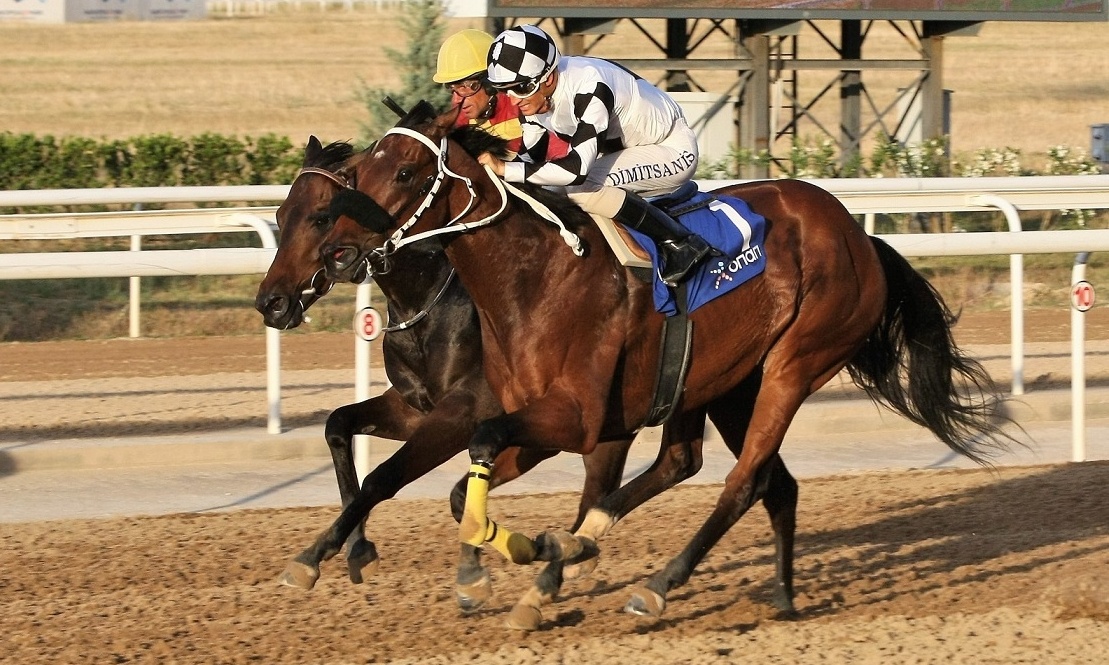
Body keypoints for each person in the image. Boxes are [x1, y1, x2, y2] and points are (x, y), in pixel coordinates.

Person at [478, 24, 717, 287]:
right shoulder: (533, 96)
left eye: (520, 88)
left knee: (580, 189)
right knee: (547, 190)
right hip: (632, 151)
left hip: (672, 150)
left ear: (547, 78)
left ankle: (681, 243)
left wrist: (504, 169)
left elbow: (576, 170)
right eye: (505, 90)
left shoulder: (590, 84)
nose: (513, 101)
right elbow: (531, 160)